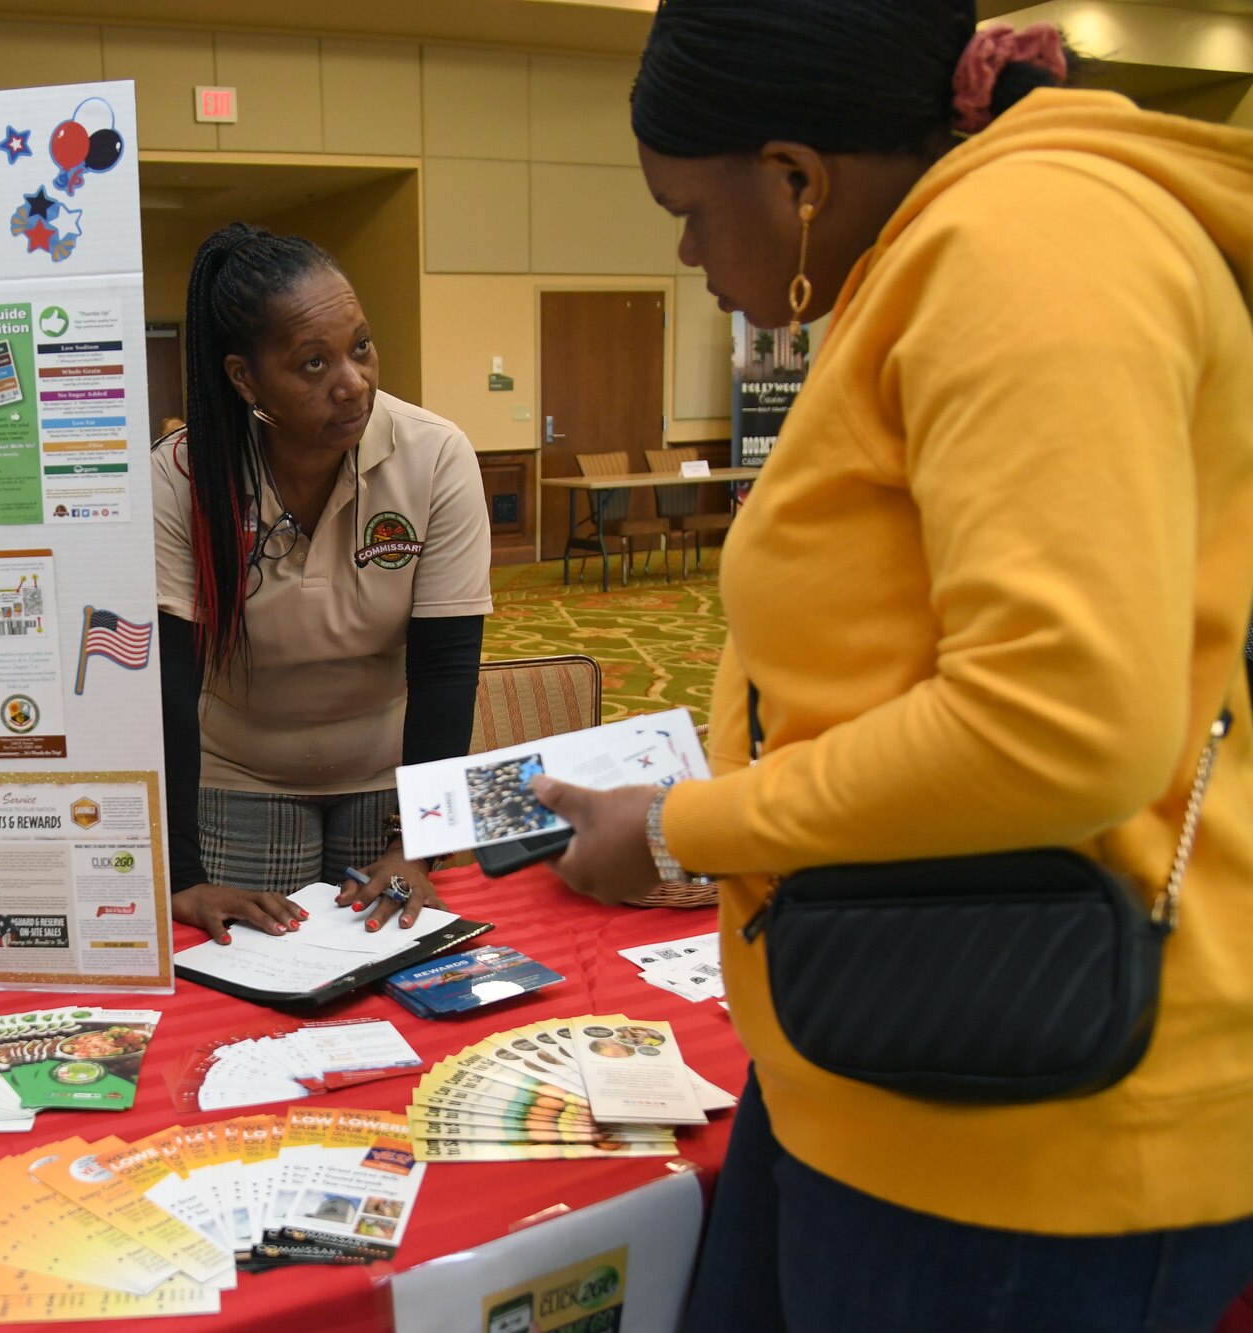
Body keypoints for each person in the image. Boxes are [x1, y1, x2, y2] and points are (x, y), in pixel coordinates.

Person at [526, 4, 1253, 1329]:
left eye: (688, 209)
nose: (684, 252)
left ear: (799, 179)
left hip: (1029, 1127)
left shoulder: (1029, 246)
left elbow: (1059, 722)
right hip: (882, 1044)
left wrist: (692, 831)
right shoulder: (938, 257)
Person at [154, 223, 492, 945]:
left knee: (386, 973)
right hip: (238, 776)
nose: (353, 382)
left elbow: (447, 667)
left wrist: (419, 845)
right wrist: (181, 875)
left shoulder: (435, 457)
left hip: (388, 777)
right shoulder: (178, 477)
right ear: (245, 377)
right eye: (313, 363)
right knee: (254, 981)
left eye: (360, 346)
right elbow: (168, 683)